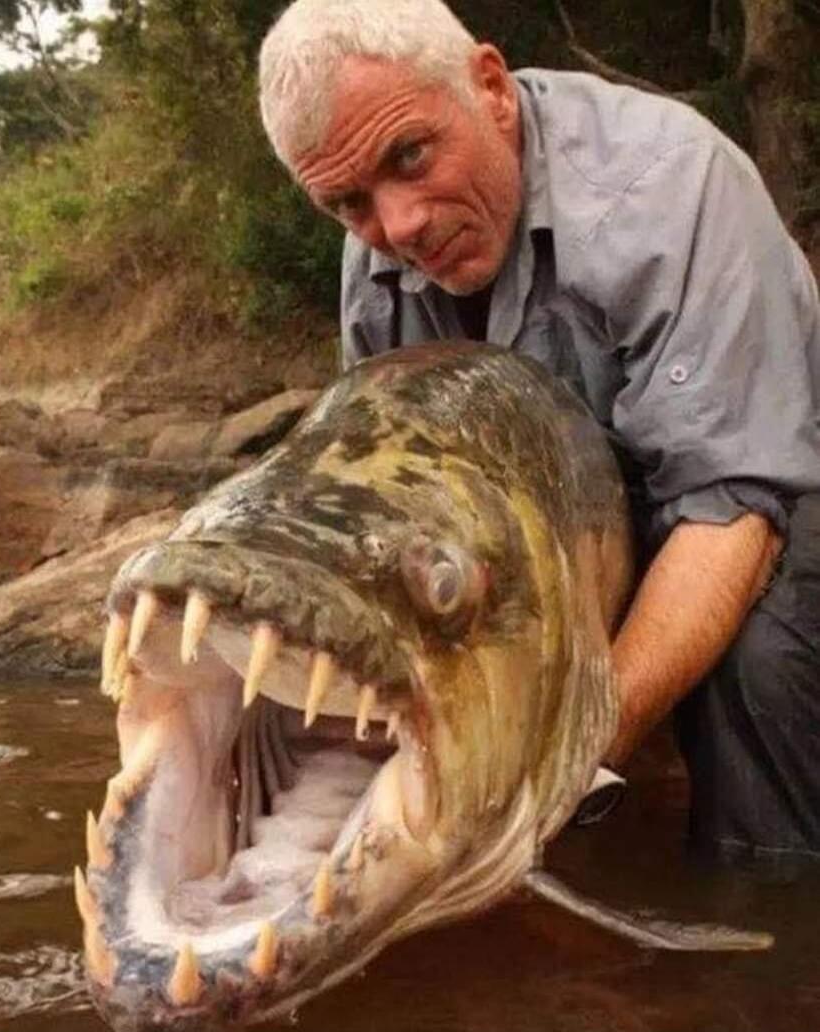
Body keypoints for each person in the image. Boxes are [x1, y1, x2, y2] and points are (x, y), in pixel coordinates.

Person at [258, 0, 820, 870]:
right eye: (348, 202)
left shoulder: (669, 183)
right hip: (584, 512)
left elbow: (731, 507)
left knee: (758, 664)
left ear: (489, 87)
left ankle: (770, 908)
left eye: (409, 157)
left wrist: (566, 763)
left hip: (768, 473)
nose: (397, 228)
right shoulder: (374, 258)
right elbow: (395, 501)